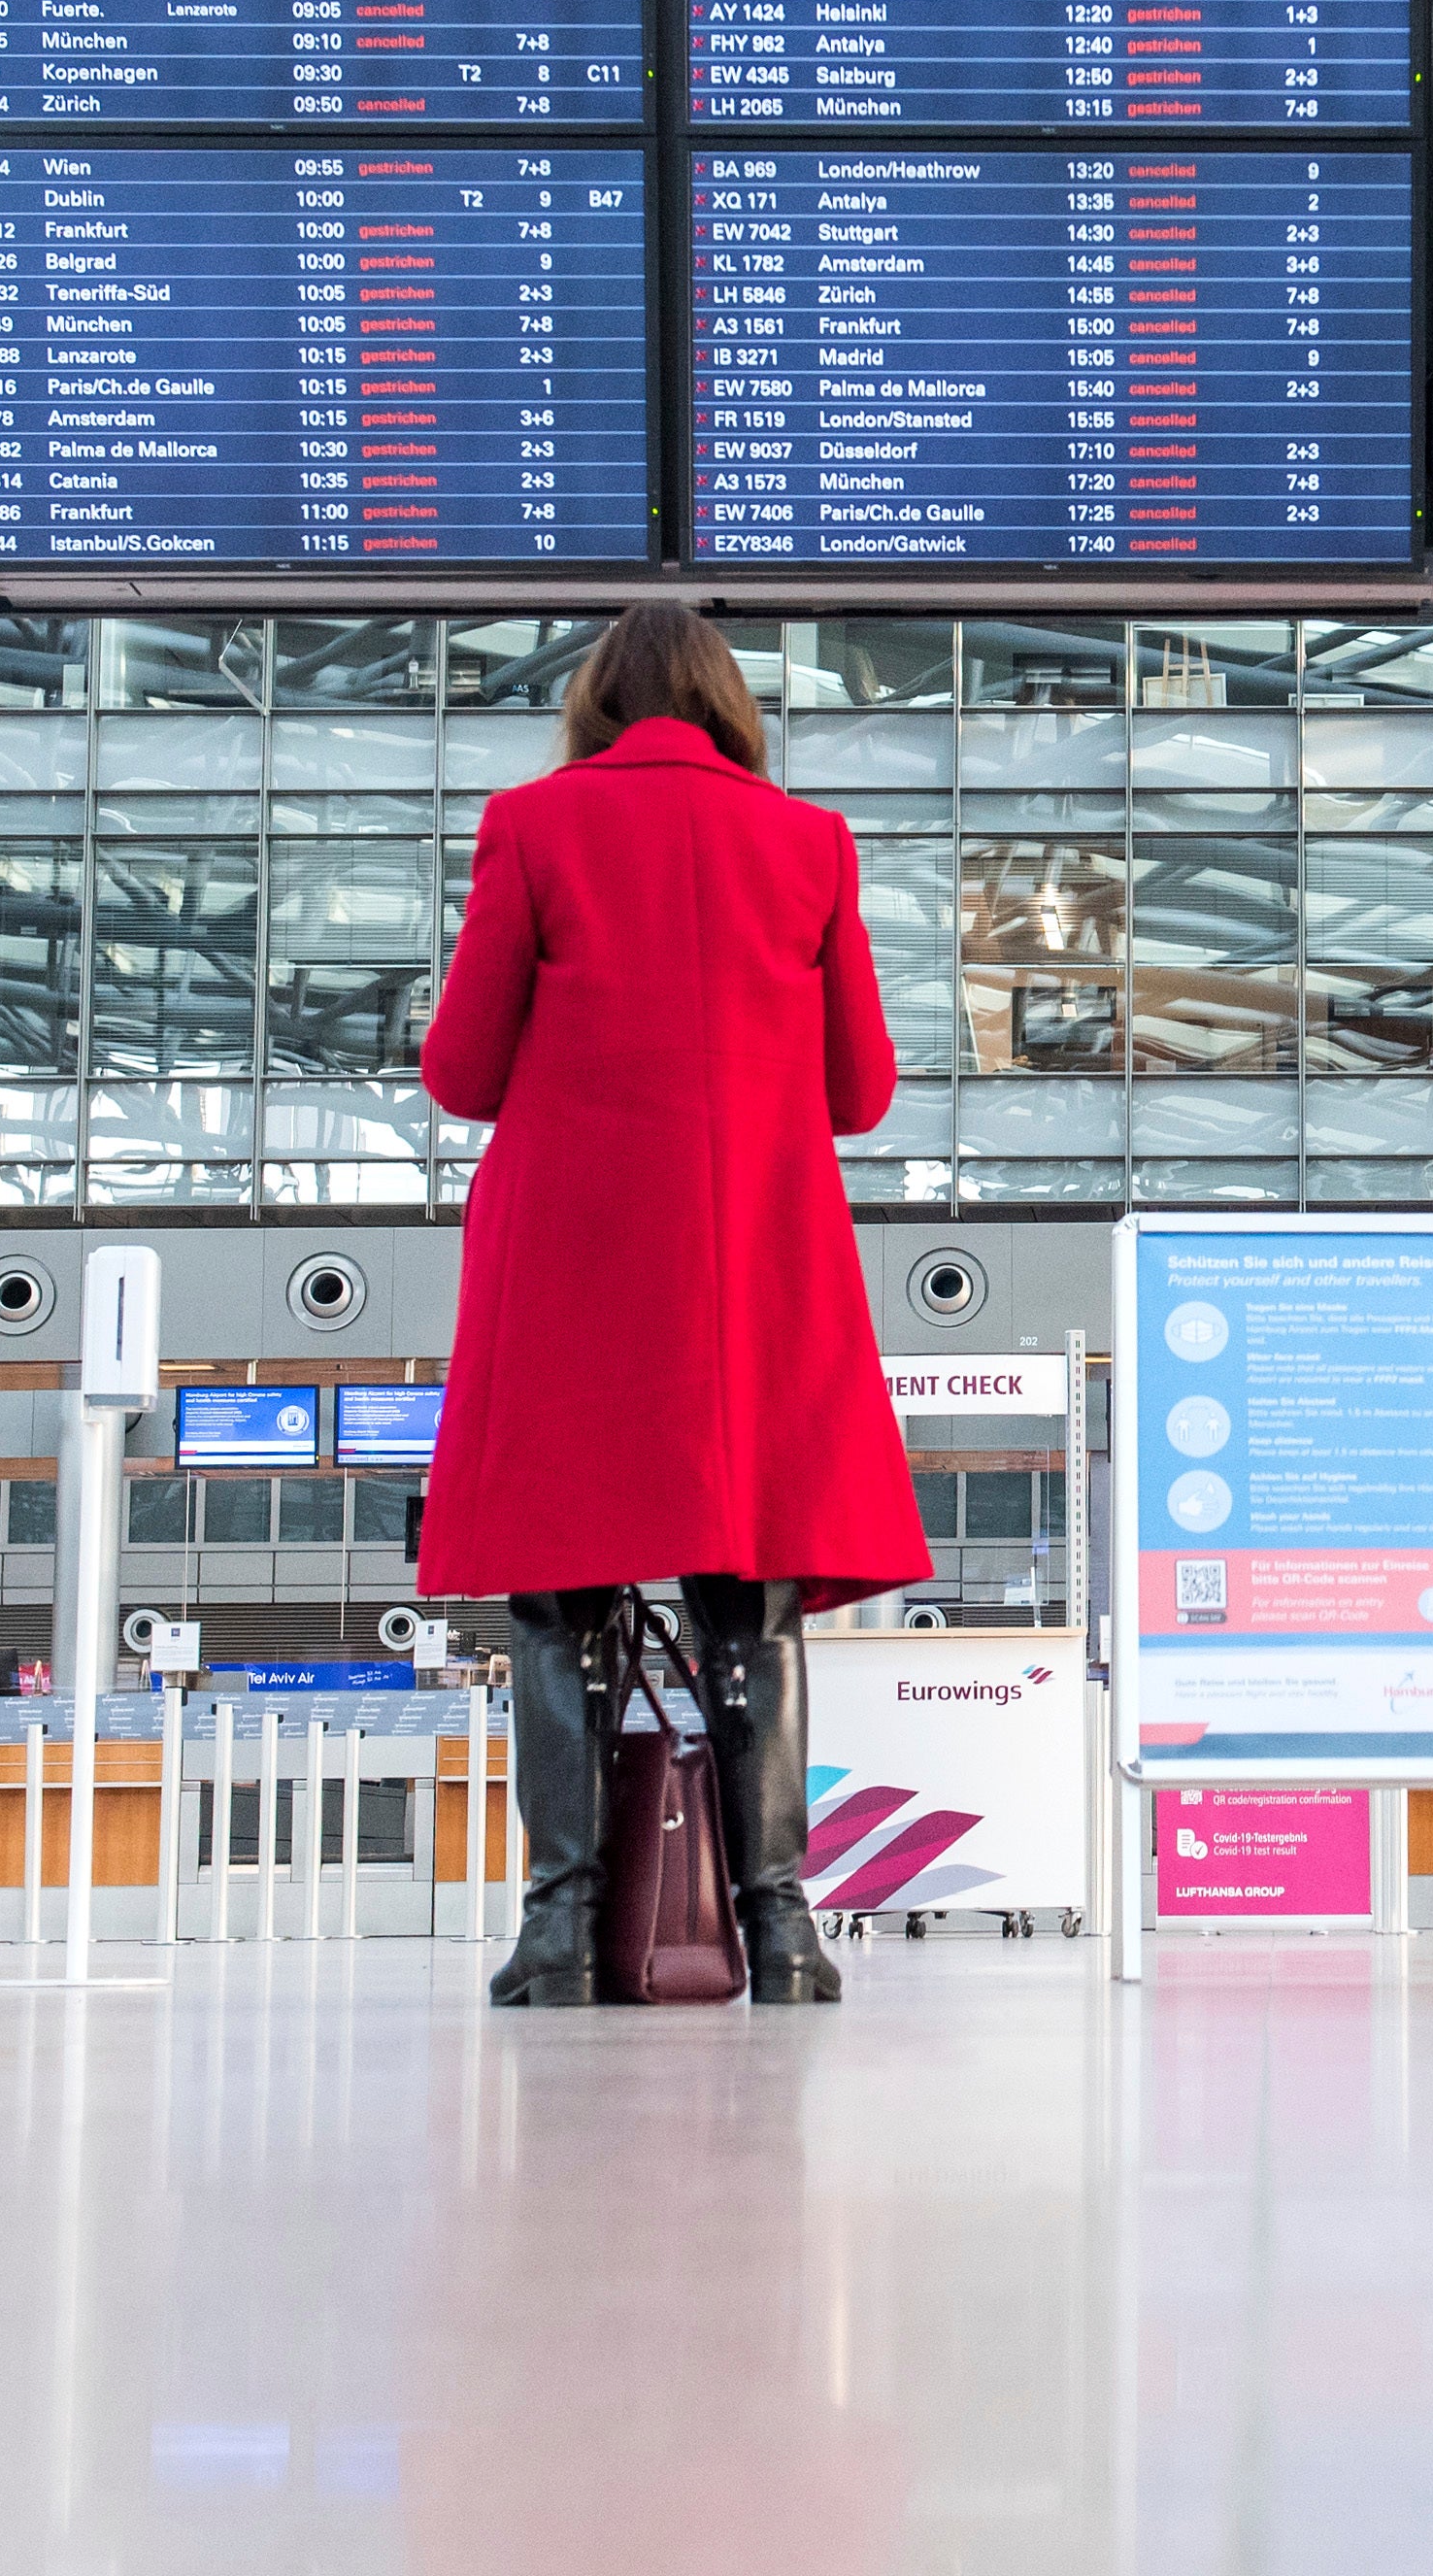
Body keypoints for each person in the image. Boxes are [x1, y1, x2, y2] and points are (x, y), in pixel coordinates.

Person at [417, 604, 924, 2007]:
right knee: (752, 1604)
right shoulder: (809, 842)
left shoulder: (532, 826)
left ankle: (558, 1933)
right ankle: (783, 1931)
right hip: (756, 1256)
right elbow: (860, 1092)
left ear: (594, 703)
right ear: (728, 706)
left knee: (557, 1600)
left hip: (574, 1257)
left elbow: (462, 1074)